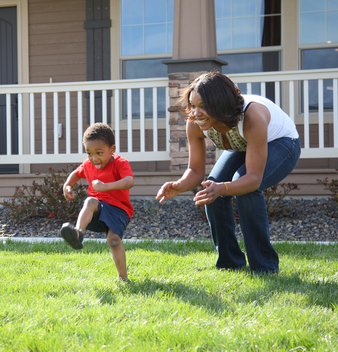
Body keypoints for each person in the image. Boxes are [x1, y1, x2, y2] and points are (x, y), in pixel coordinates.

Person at [156, 71, 301, 274]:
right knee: (211, 187)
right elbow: (196, 171)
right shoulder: (195, 122)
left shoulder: (252, 117)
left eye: (203, 106)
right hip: (242, 146)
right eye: (193, 105)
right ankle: (230, 263)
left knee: (244, 187)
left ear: (220, 104)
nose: (196, 113)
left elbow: (252, 179)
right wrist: (179, 185)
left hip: (282, 143)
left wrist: (224, 188)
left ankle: (264, 267)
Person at [60, 122, 135, 282]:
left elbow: (129, 181)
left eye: (99, 153)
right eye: (89, 153)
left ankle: (123, 278)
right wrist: (67, 185)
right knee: (91, 201)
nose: (94, 158)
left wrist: (106, 186)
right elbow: (76, 173)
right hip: (98, 208)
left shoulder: (120, 163)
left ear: (112, 150)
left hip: (119, 210)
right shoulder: (88, 164)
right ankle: (78, 233)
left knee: (113, 241)